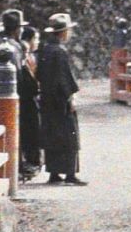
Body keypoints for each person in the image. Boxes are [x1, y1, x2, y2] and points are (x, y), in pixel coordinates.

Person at [38, 13, 85, 185]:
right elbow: (64, 78)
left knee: (52, 135)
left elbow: (40, 74)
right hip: (60, 100)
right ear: (63, 32)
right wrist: (70, 97)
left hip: (47, 99)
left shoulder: (44, 49)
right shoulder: (60, 51)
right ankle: (70, 173)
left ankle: (54, 172)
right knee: (69, 135)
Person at [17, 23, 44, 182]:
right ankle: (30, 163)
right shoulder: (24, 58)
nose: (38, 42)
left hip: (32, 99)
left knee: (34, 132)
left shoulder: (33, 57)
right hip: (27, 100)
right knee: (30, 132)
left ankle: (33, 162)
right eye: (36, 39)